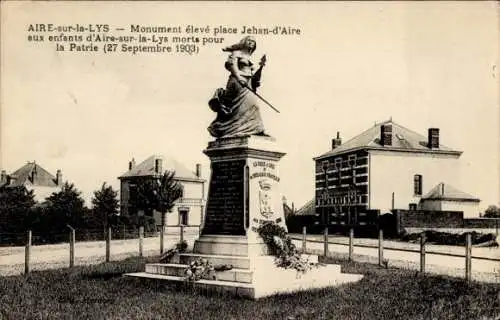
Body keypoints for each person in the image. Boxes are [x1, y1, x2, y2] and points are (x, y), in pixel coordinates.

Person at [207, 36, 268, 138]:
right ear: (244, 42)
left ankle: (254, 129)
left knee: (253, 106)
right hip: (237, 81)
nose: (251, 43)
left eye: (253, 42)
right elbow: (232, 66)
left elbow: (252, 74)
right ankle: (236, 129)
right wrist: (239, 78)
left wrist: (255, 81)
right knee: (239, 106)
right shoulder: (237, 53)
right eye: (249, 41)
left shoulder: (248, 56)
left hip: (247, 83)